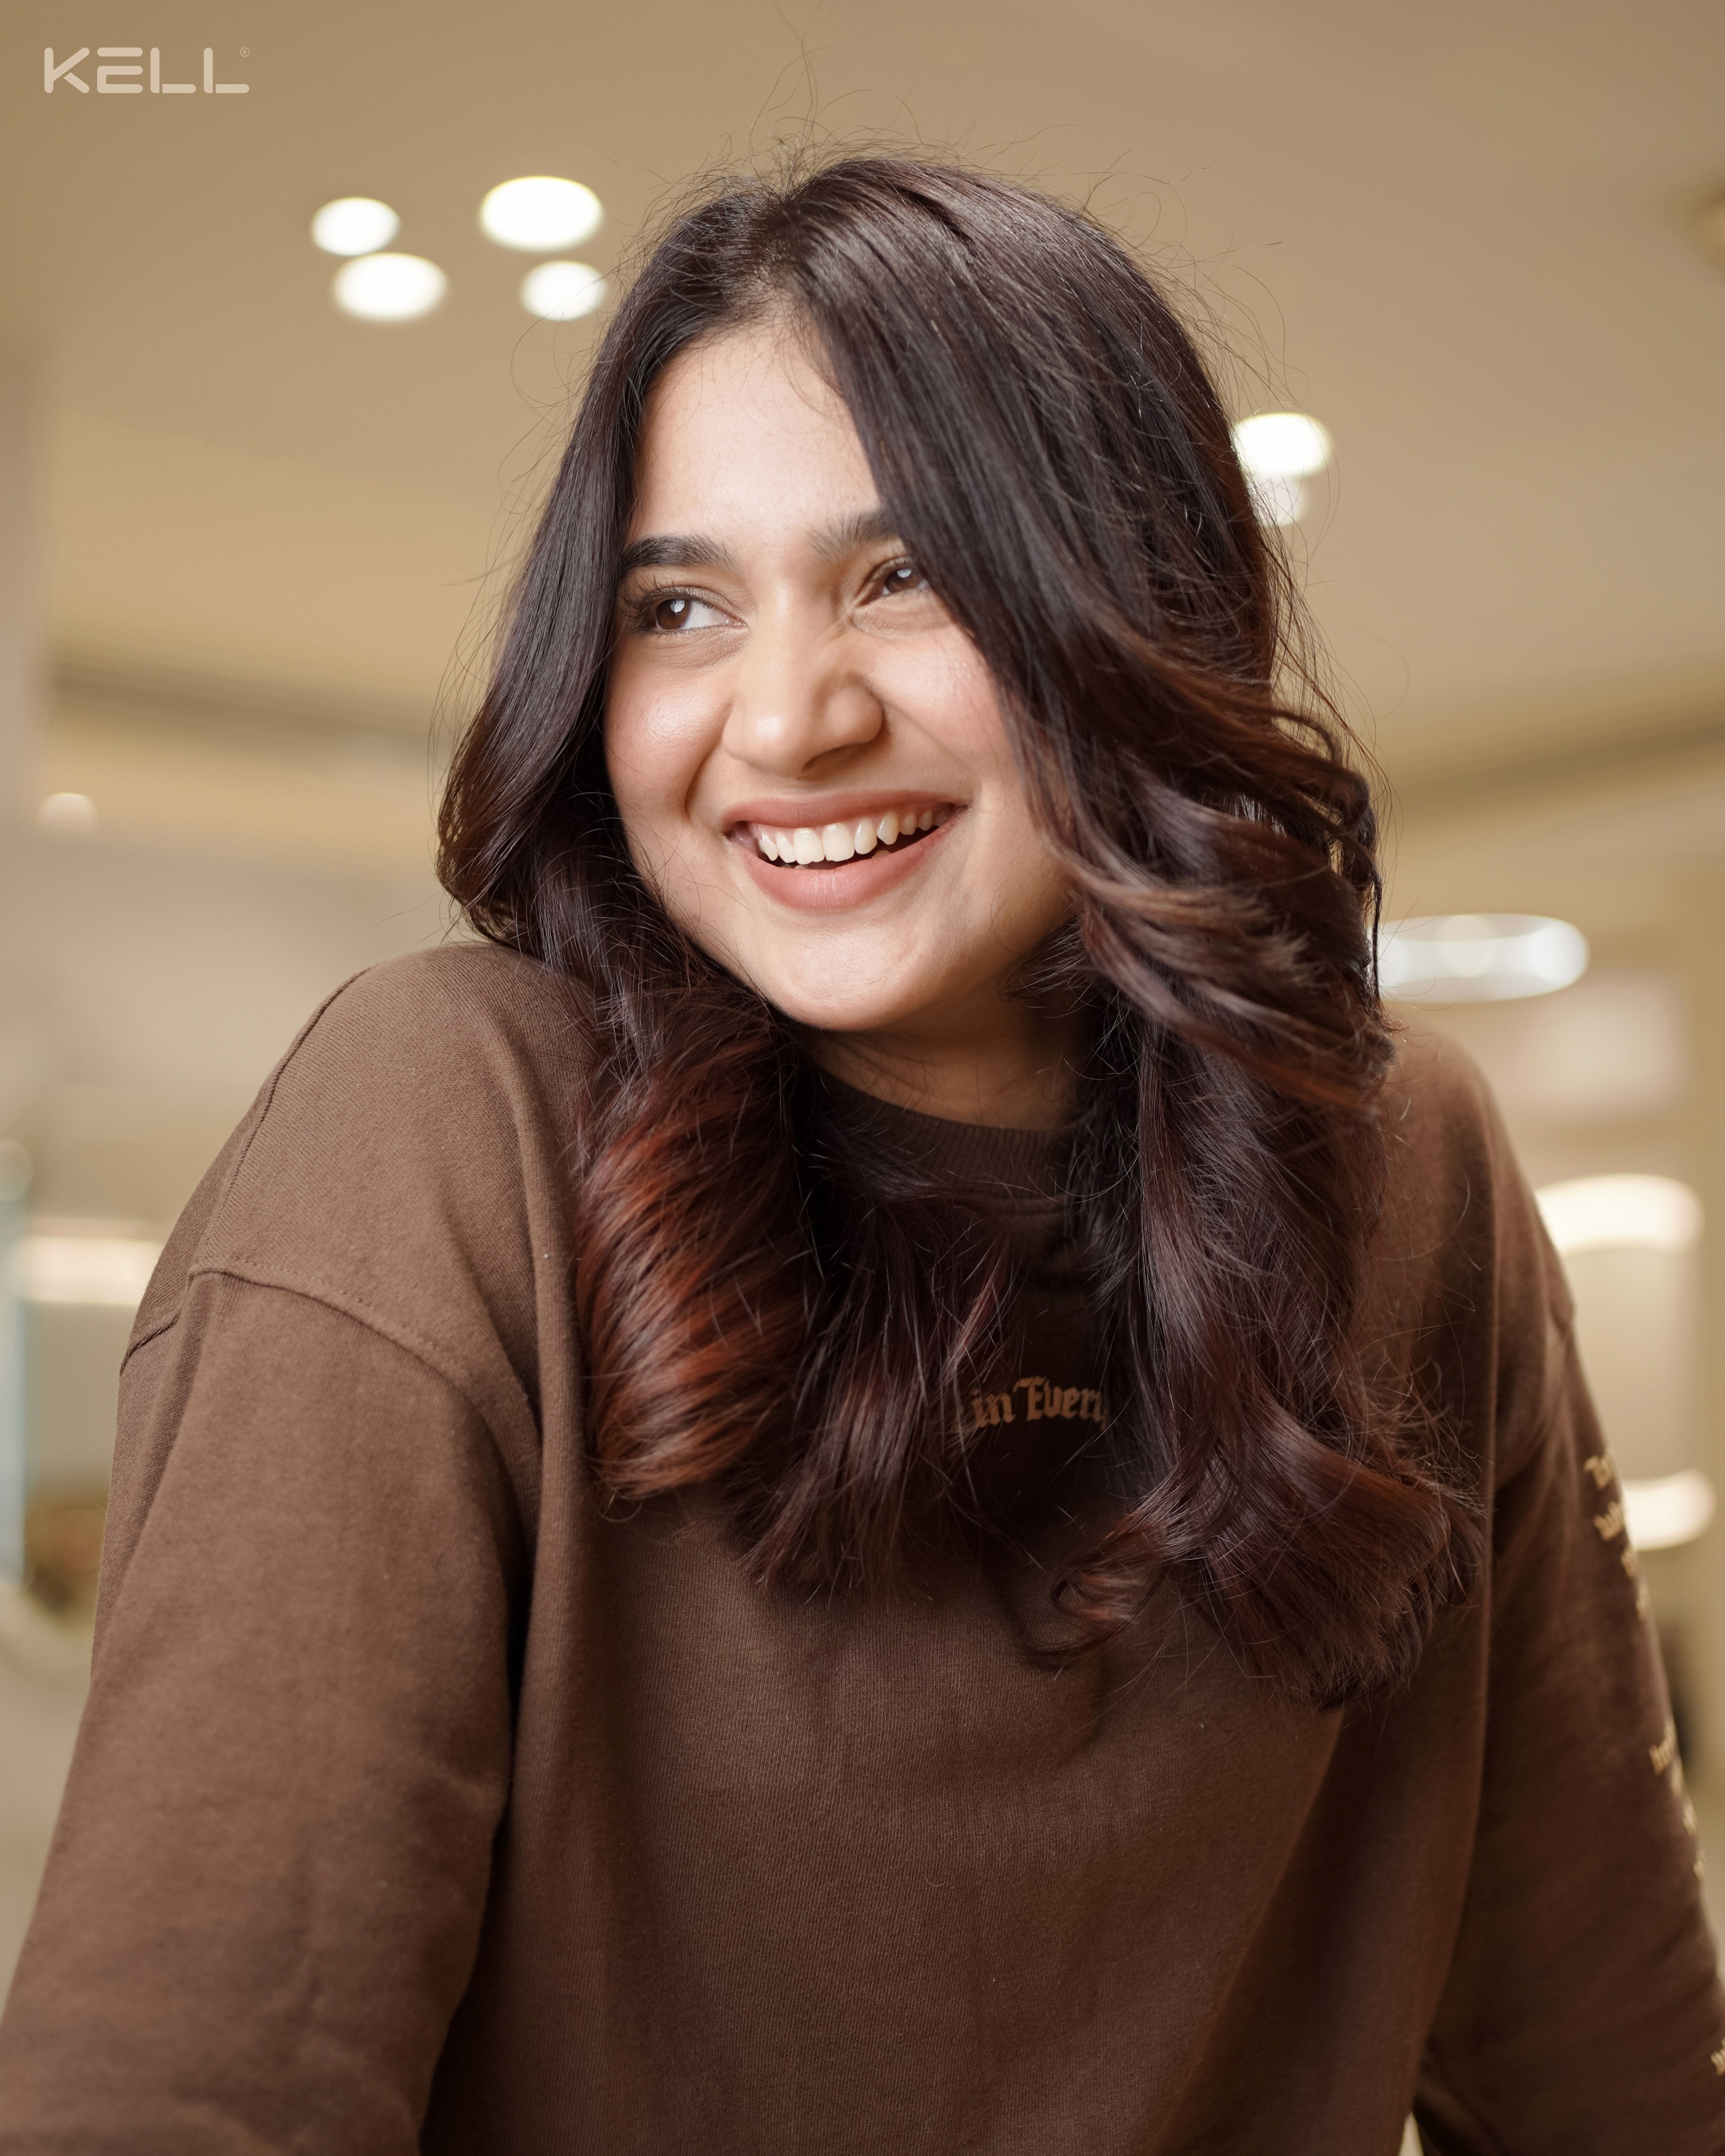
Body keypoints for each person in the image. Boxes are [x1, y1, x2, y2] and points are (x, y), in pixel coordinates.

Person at [0, 156, 1718, 2156]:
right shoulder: (449, 1115)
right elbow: (189, 2100)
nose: (788, 718)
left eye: (905, 576)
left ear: (1134, 605)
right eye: (679, 606)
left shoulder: (1407, 1160)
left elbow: (1607, 2067)